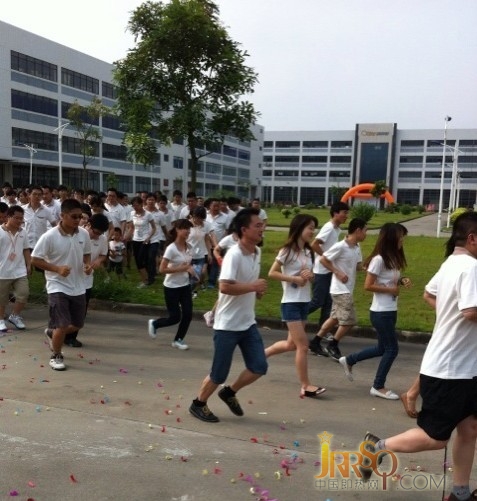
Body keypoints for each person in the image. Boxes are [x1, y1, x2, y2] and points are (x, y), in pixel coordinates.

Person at [360, 212, 477, 501]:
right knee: (435, 438)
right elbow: (471, 312)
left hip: (462, 367)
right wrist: (455, 315)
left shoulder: (452, 263)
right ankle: (376, 447)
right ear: (473, 238)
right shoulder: (470, 267)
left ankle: (460, 492)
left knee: (470, 427)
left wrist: (447, 315)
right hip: (451, 370)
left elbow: (429, 293)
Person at [189, 207, 267, 423]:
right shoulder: (233, 254)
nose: (263, 228)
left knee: (259, 366)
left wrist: (256, 290)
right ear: (244, 229)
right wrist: (252, 287)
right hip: (227, 325)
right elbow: (224, 287)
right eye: (258, 225)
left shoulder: (257, 252)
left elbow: (247, 283)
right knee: (219, 373)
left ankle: (229, 392)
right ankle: (198, 404)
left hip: (247, 322)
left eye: (263, 224)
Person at [338, 223, 411, 399]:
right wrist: (391, 290)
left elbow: (389, 280)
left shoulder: (393, 258)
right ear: (391, 238)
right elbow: (368, 285)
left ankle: (349, 360)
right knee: (392, 350)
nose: (402, 240)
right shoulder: (379, 259)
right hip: (381, 312)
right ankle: (378, 386)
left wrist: (402, 281)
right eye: (401, 236)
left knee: (381, 347)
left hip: (390, 309)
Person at [265, 214, 327, 398]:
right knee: (303, 346)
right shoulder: (287, 251)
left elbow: (312, 277)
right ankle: (306, 385)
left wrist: (310, 276)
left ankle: (260, 356)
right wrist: (294, 278)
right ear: (299, 228)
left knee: (291, 344)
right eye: (309, 227)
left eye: (314, 227)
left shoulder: (309, 252)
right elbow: (272, 273)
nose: (312, 231)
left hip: (303, 301)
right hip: (290, 302)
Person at [31, 199, 92, 371]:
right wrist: (56, 269)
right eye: (73, 216)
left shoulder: (83, 234)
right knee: (62, 325)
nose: (77, 220)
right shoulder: (49, 236)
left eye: (80, 217)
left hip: (78, 285)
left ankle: (52, 333)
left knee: (77, 324)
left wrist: (87, 265)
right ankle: (56, 355)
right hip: (57, 285)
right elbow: (35, 259)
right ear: (62, 215)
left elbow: (87, 254)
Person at [312, 218, 368, 361]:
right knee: (349, 320)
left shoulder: (356, 247)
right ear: (358, 230)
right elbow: (323, 259)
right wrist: (337, 272)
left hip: (347, 289)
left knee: (334, 318)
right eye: (365, 230)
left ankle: (315, 342)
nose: (366, 234)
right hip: (339, 289)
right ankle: (333, 344)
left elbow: (358, 266)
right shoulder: (340, 246)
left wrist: (371, 265)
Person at [308, 201, 349, 356]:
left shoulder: (336, 229)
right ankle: (296, 316)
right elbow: (314, 244)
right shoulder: (329, 227)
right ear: (335, 213)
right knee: (318, 301)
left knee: (327, 303)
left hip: (327, 270)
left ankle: (321, 333)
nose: (346, 216)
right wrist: (326, 258)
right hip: (321, 271)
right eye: (344, 212)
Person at [147, 219, 195, 350]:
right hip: (171, 287)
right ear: (178, 229)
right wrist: (182, 268)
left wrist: (192, 272)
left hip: (185, 286)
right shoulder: (171, 249)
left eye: (189, 229)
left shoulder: (189, 247)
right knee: (175, 317)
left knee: (188, 314)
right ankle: (155, 323)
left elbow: (187, 265)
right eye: (185, 228)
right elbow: (162, 269)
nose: (188, 231)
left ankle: (178, 340)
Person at [64, 213, 109, 348]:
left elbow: (103, 255)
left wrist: (97, 262)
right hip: (68, 278)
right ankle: (58, 332)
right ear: (88, 224)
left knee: (80, 312)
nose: (96, 236)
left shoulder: (102, 239)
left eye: (100, 234)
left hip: (86, 281)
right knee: (64, 309)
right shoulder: (76, 235)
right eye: (95, 232)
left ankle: (71, 337)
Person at [0, 205, 31, 331]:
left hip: (19, 271)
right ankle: (1, 320)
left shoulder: (23, 232)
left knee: (24, 293)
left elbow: (26, 249)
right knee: (2, 298)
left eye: (21, 218)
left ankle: (15, 316)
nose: (19, 221)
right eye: (16, 218)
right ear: (8, 217)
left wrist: (29, 264)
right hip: (2, 271)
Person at [128, 196, 156, 288]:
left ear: (141, 204)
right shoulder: (132, 214)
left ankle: (147, 280)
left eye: (136, 205)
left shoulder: (148, 214)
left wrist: (148, 237)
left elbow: (154, 228)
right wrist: (127, 236)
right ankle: (145, 279)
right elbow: (131, 227)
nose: (135, 207)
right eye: (133, 206)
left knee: (142, 260)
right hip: (135, 239)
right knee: (137, 261)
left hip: (144, 240)